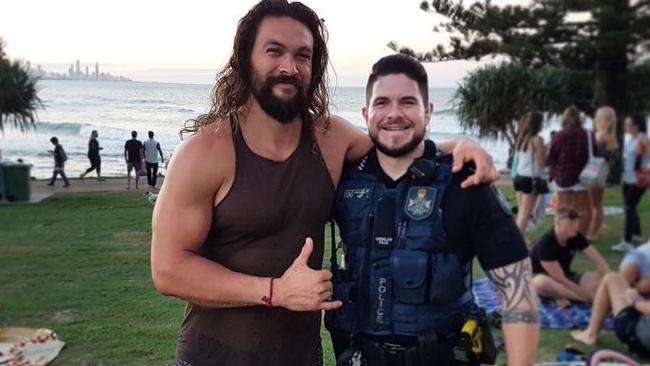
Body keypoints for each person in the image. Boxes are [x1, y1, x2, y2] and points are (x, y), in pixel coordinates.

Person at [150, 2, 498, 366]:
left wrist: (456, 146)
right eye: (274, 51)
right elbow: (168, 269)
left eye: (303, 55)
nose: (289, 67)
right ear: (244, 58)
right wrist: (274, 291)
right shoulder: (205, 152)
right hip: (212, 357)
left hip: (304, 357)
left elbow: (397, 154)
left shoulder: (331, 139)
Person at [326, 54, 539, 366]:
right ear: (365, 113)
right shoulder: (344, 184)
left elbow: (518, 289)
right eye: (382, 102)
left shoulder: (467, 185)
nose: (394, 113)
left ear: (428, 112)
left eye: (408, 102)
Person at [530, 207, 611, 307]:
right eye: (571, 224)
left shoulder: (576, 236)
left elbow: (598, 260)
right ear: (558, 223)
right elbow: (560, 279)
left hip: (567, 278)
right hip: (547, 279)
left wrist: (611, 279)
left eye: (577, 223)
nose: (576, 227)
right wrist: (590, 297)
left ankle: (562, 296)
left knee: (601, 278)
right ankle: (583, 299)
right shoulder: (546, 245)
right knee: (541, 283)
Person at [571, 272, 650, 358]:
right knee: (614, 279)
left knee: (611, 278)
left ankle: (590, 334)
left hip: (638, 335)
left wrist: (635, 301)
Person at [548, 106, 596, 235]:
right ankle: (582, 237)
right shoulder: (588, 134)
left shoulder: (559, 135)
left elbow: (552, 156)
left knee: (563, 206)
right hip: (584, 174)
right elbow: (596, 152)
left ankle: (562, 234)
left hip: (563, 175)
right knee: (584, 207)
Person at [612, 115, 650, 252]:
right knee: (630, 206)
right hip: (628, 179)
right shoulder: (630, 139)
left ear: (636, 126)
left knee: (629, 208)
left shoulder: (643, 138)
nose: (625, 127)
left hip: (639, 180)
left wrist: (646, 145)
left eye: (627, 124)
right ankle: (636, 234)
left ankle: (627, 242)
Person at [587, 106, 620, 241]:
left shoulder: (600, 136)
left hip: (594, 172)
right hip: (603, 173)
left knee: (592, 205)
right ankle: (593, 232)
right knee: (598, 205)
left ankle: (591, 233)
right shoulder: (612, 137)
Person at [513, 111, 548, 236]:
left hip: (520, 176)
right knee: (525, 214)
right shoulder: (537, 139)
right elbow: (542, 161)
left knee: (522, 212)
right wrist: (547, 150)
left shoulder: (522, 138)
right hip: (531, 179)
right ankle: (518, 243)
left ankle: (520, 240)